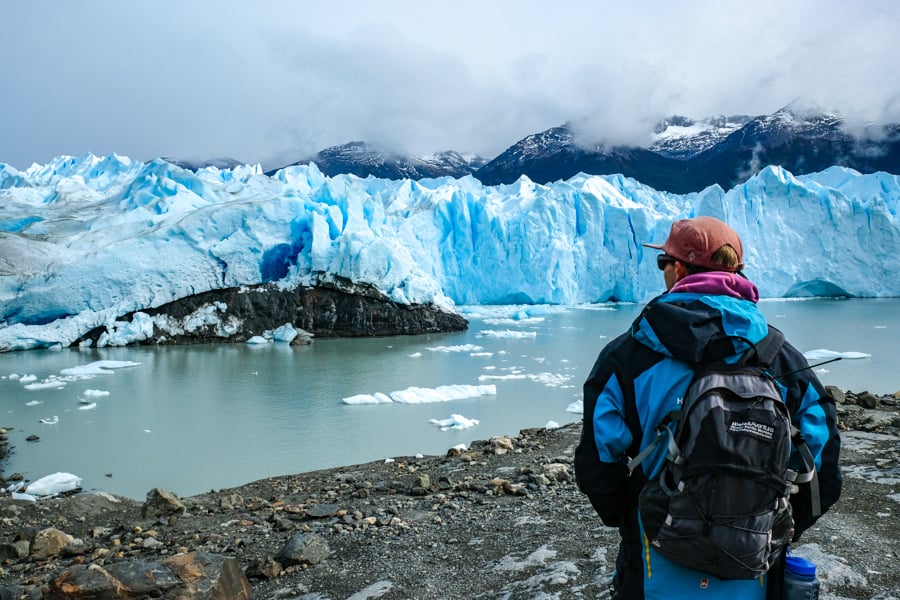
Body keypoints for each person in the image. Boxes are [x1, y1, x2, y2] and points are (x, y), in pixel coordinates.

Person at [574, 216, 842, 599]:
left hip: (654, 555)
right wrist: (776, 523)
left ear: (679, 268)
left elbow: (596, 463)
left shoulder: (628, 355)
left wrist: (632, 516)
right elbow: (823, 467)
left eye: (663, 263)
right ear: (738, 274)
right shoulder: (781, 359)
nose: (663, 271)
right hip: (754, 558)